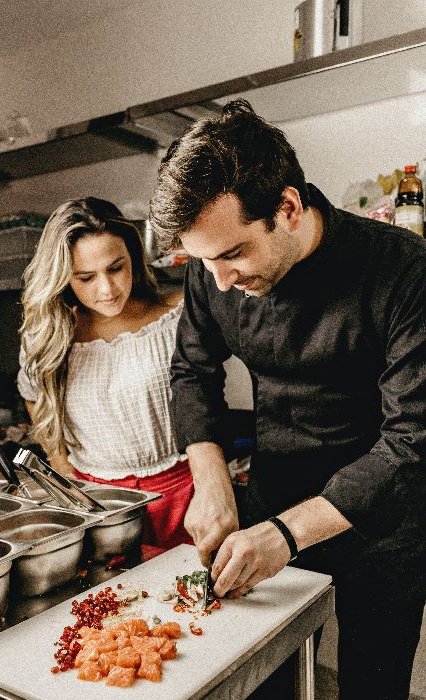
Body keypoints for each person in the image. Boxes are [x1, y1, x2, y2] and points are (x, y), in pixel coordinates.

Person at [149, 100, 425, 699]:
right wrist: (213, 482)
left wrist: (288, 534)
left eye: (231, 256)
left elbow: (411, 443)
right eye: (202, 262)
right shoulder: (211, 265)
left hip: (385, 516)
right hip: (276, 490)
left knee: (371, 687)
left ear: (289, 208)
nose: (218, 281)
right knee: (263, 681)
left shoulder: (404, 273)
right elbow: (192, 371)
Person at [18, 196, 193, 550]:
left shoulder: (178, 311)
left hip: (187, 494)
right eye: (86, 277)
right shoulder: (51, 334)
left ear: (134, 256)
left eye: (116, 268)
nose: (107, 289)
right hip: (100, 507)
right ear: (63, 277)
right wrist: (62, 468)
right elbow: (32, 393)